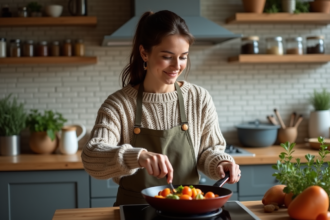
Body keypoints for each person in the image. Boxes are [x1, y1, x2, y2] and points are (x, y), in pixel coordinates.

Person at [81, 10, 241, 206]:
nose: (177, 66)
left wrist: (221, 163)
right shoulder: (119, 104)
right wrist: (138, 156)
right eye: (167, 56)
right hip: (135, 209)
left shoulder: (199, 98)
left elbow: (208, 151)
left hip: (189, 208)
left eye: (183, 57)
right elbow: (92, 156)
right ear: (144, 53)